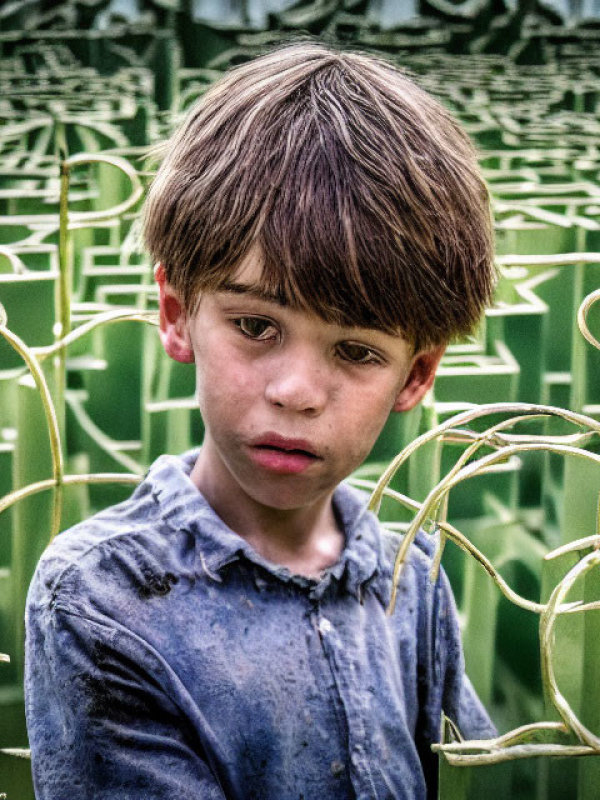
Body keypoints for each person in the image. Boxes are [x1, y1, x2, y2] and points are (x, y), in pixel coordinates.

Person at [24, 41, 496, 800]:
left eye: (355, 350)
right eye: (256, 326)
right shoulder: (102, 599)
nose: (297, 391)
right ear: (177, 316)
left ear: (416, 375)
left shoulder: (416, 575)